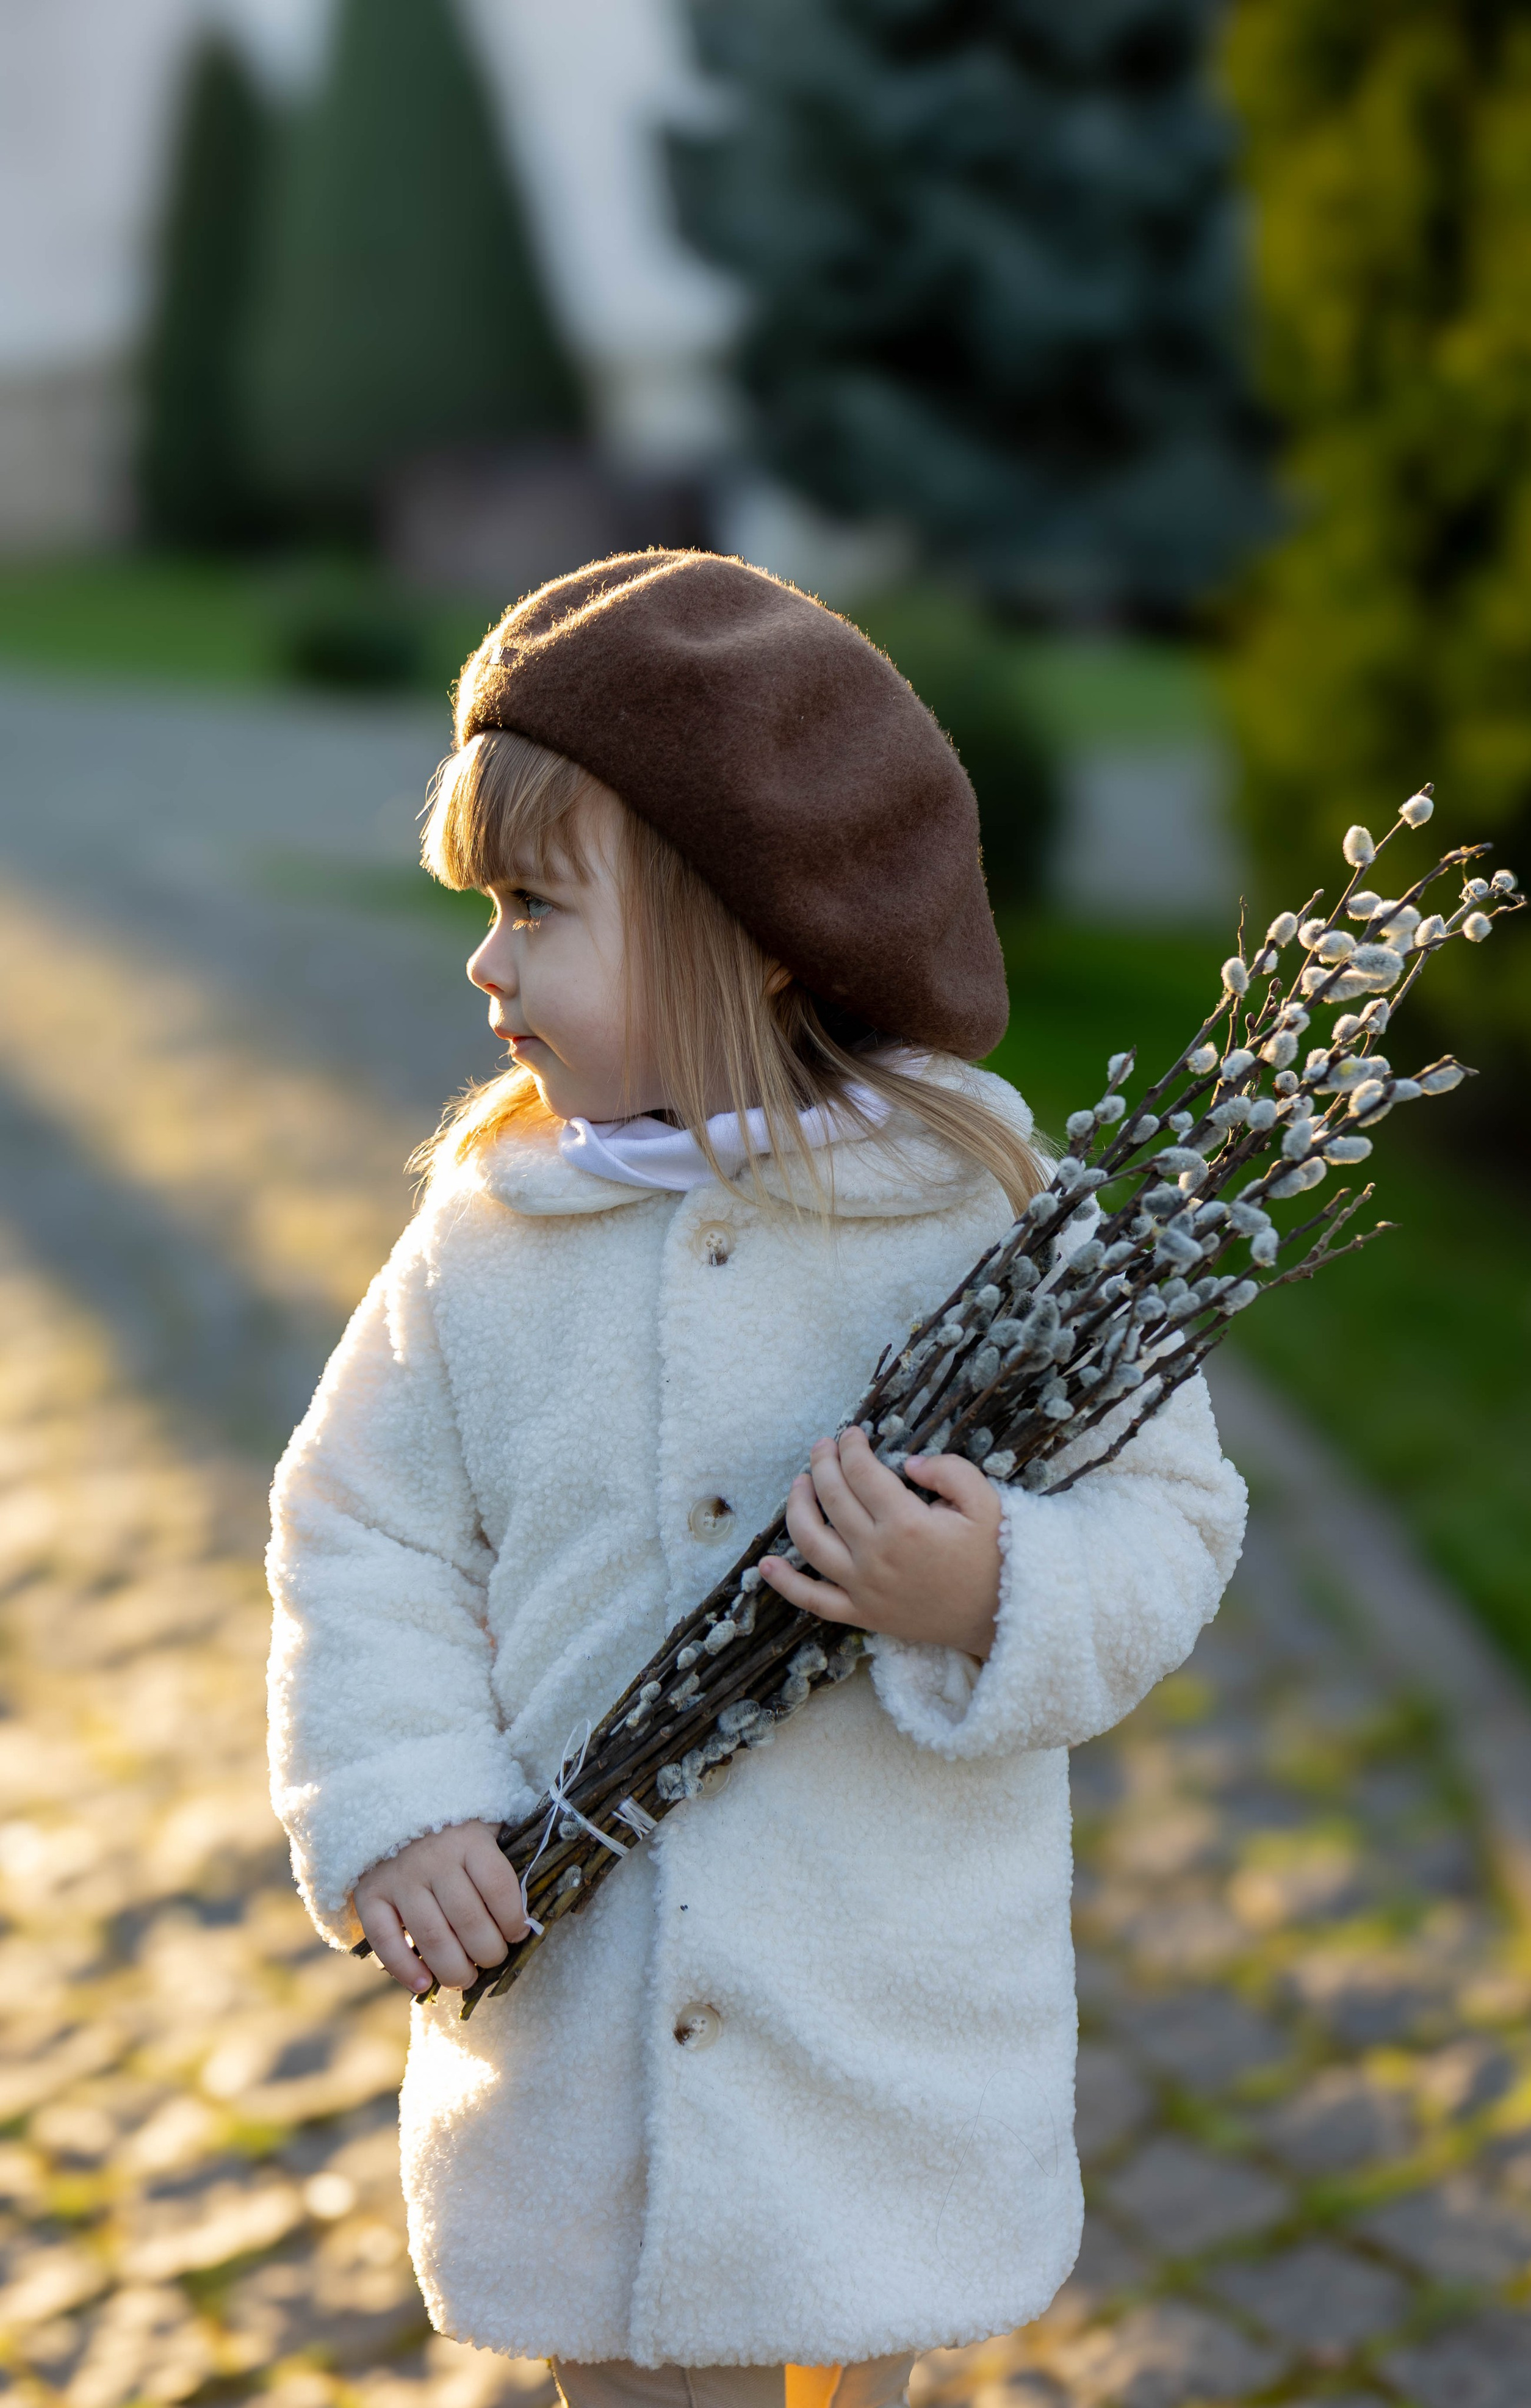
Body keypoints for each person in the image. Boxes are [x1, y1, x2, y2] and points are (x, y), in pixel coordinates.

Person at [266, 552, 1247, 2408]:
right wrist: (402, 1799)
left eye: (536, 909)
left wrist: (993, 1592)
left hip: (876, 2020)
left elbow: (1174, 1511)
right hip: (590, 2038)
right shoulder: (491, 1233)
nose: (486, 963)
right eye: (483, 909)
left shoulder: (965, 1213)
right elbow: (359, 1530)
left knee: (852, 2368)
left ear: (758, 919)